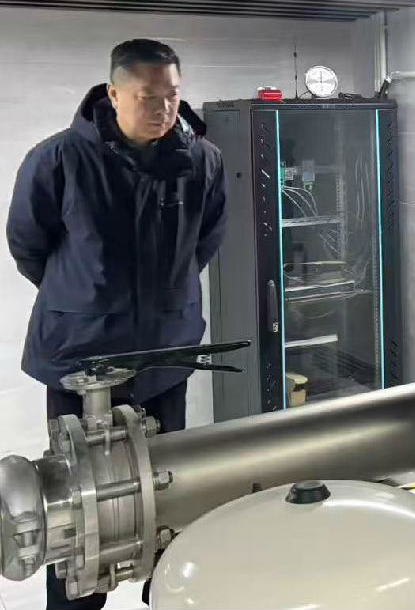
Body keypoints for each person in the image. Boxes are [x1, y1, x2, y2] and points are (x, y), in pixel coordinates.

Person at [6, 39, 227, 610]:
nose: (164, 109)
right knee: (78, 495)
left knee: (169, 484)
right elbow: (28, 244)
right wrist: (86, 297)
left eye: (172, 96)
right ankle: (76, 602)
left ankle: (167, 591)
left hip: (163, 354)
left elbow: (205, 241)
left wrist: (163, 299)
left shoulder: (201, 160)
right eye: (148, 97)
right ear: (113, 94)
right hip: (82, 356)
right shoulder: (59, 159)